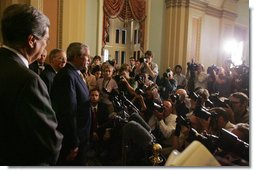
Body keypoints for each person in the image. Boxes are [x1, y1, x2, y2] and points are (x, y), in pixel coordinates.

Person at [0, 4, 63, 165]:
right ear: (31, 40)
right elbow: (50, 144)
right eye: (45, 41)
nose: (45, 48)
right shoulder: (29, 81)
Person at [51, 42, 91, 165]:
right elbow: (68, 112)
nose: (89, 59)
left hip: (81, 135)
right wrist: (73, 143)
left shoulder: (75, 74)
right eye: (86, 56)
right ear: (76, 57)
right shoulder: (67, 76)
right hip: (74, 139)